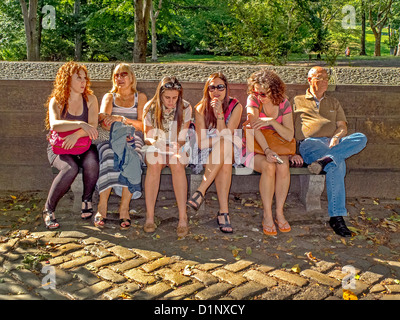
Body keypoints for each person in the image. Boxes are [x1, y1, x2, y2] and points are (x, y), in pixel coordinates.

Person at [293, 66, 367, 237]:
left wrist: (336, 137)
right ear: (310, 79)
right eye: (321, 77)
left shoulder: (333, 102)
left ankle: (326, 159)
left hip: (333, 143)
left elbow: (343, 127)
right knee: (337, 165)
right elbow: (289, 129)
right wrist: (292, 151)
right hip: (310, 144)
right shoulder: (297, 100)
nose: (325, 81)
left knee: (361, 138)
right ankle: (337, 216)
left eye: (327, 78)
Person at [43, 61, 99, 229]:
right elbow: (55, 125)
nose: (83, 82)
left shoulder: (90, 99)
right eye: (78, 78)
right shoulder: (58, 100)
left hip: (83, 144)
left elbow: (93, 127)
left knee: (92, 161)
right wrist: (80, 125)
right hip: (60, 147)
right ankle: (48, 209)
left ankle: (86, 200)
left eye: (85, 78)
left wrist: (76, 134)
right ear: (67, 80)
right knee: (70, 168)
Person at [187, 72, 242, 233]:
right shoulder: (200, 108)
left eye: (220, 87)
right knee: (224, 157)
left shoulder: (236, 106)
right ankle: (223, 213)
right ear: (207, 89)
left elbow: (227, 134)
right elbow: (202, 143)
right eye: (212, 88)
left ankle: (201, 190)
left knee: (225, 144)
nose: (216, 91)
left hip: (230, 148)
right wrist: (221, 138)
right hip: (207, 150)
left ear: (226, 89)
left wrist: (219, 115)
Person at [242, 69, 295, 236]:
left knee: (283, 166)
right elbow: (255, 128)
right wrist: (267, 151)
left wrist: (271, 121)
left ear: (274, 90)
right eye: (256, 92)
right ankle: (267, 214)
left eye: (263, 93)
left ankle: (279, 212)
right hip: (255, 146)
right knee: (269, 166)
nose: (259, 96)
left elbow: (289, 134)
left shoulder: (284, 104)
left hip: (277, 146)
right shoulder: (253, 101)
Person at [94, 63, 147, 230]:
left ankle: (124, 208)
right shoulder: (109, 97)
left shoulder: (141, 98)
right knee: (109, 155)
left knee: (133, 156)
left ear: (131, 77)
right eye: (116, 75)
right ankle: (102, 207)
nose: (119, 78)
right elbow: (103, 120)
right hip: (111, 138)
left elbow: (143, 126)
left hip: (133, 138)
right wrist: (111, 121)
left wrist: (121, 120)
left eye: (123, 74)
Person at [142, 76, 192, 237]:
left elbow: (182, 136)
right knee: (154, 162)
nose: (171, 102)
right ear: (160, 95)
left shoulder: (185, 107)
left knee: (177, 163)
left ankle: (183, 217)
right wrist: (157, 142)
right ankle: (150, 217)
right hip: (156, 145)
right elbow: (147, 136)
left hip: (177, 144)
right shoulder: (150, 107)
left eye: (174, 98)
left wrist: (175, 146)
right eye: (167, 98)